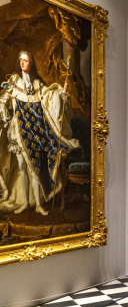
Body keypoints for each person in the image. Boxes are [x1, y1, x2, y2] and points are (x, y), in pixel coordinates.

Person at [0, 51, 79, 215]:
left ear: (31, 63)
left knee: (34, 168)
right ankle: (25, 204)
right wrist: (6, 117)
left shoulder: (36, 84)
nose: (23, 63)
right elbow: (3, 100)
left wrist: (62, 94)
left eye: (26, 60)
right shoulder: (13, 81)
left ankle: (37, 205)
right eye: (21, 60)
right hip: (18, 132)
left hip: (34, 131)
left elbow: (50, 97)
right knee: (22, 167)